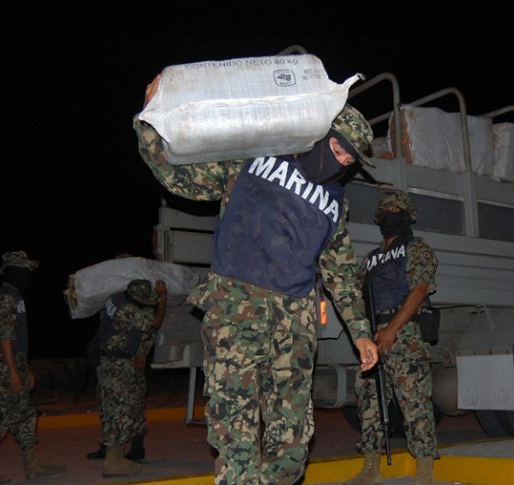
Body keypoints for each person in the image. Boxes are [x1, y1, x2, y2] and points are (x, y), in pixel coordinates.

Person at [133, 73, 379, 485]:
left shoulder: (336, 203)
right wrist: (149, 118)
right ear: (320, 135)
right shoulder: (256, 159)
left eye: (349, 161)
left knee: (293, 447)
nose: (341, 163)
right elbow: (179, 177)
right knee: (236, 438)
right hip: (235, 309)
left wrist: (361, 333)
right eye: (338, 150)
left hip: (294, 324)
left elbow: (340, 273)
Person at [348, 190, 440, 485]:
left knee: (414, 402)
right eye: (385, 211)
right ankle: (371, 468)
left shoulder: (417, 248)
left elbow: (419, 290)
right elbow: (356, 296)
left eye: (395, 211)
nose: (390, 215)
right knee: (368, 401)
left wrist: (392, 330)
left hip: (405, 334)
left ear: (407, 216)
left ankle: (424, 471)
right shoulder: (371, 259)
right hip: (375, 335)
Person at [0, 251, 66, 483]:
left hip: (12, 366)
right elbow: (5, 337)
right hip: (0, 371)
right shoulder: (6, 298)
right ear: (15, 272)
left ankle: (32, 465)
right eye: (25, 271)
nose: (28, 276)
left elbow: (18, 341)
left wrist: (25, 369)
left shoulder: (16, 297)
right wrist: (13, 371)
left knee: (25, 414)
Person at [91, 278, 167, 476]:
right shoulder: (129, 310)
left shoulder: (115, 299)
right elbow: (156, 322)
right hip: (118, 364)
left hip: (108, 361)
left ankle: (117, 457)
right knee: (119, 411)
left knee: (113, 409)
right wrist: (163, 297)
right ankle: (112, 462)